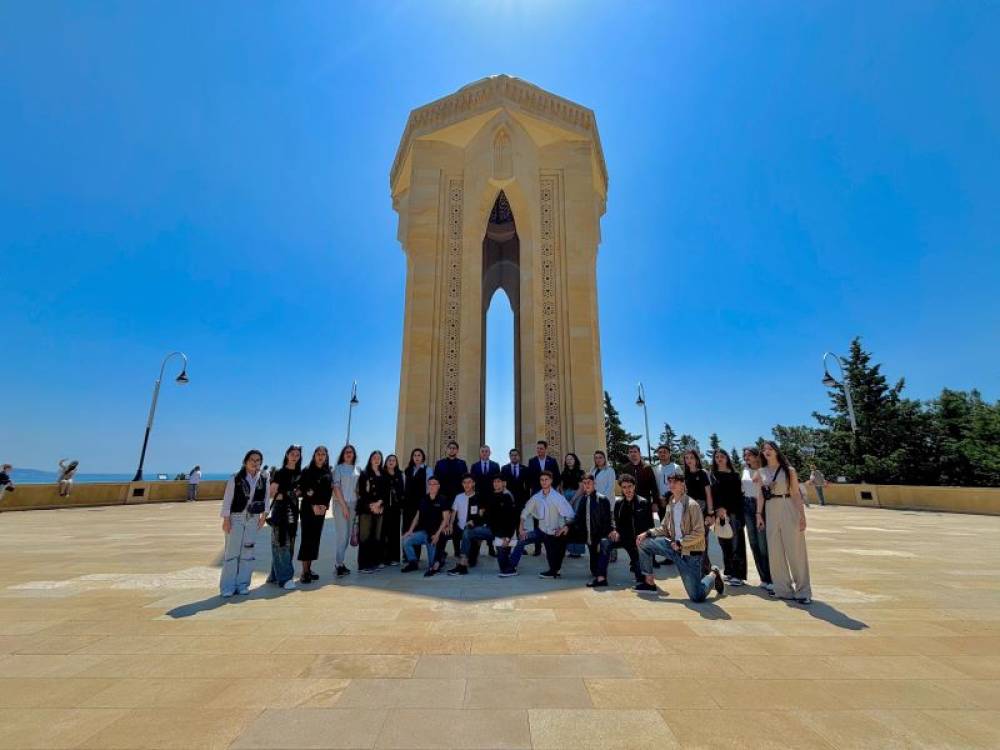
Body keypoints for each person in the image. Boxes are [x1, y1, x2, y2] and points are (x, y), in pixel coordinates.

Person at [635, 474, 725, 601]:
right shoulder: (670, 504)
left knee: (697, 597)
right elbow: (664, 528)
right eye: (669, 482)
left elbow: (699, 533)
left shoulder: (692, 505)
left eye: (675, 481)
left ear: (682, 484)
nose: (671, 484)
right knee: (643, 542)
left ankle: (713, 574)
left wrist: (681, 543)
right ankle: (648, 579)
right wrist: (647, 533)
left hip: (690, 553)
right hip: (672, 547)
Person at [758, 441, 812, 604]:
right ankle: (783, 589)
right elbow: (761, 495)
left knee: (795, 550)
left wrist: (802, 516)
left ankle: (803, 590)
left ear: (776, 451)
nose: (767, 451)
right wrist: (758, 515)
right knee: (775, 551)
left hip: (787, 505)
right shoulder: (761, 472)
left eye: (770, 449)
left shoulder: (789, 471)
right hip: (770, 508)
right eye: (764, 449)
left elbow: (796, 494)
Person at [219, 449, 270, 597]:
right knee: (232, 553)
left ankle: (243, 585)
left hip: (253, 518)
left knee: (248, 552)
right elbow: (227, 500)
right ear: (245, 461)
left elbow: (266, 499)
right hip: (237, 517)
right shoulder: (235, 478)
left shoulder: (264, 478)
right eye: (252, 460)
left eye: (257, 460)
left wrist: (263, 516)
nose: (255, 463)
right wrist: (226, 520)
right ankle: (227, 587)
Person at [509, 471, 575, 578]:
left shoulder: (558, 498)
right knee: (521, 540)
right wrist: (521, 528)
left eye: (546, 480)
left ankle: (554, 570)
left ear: (551, 481)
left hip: (553, 533)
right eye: (542, 480)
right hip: (540, 531)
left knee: (553, 564)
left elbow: (570, 514)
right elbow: (525, 512)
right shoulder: (536, 497)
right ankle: (511, 567)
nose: (544, 482)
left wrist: (565, 527)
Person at [401, 476, 451, 577]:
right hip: (423, 532)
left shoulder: (443, 499)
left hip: (434, 534)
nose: (432, 486)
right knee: (406, 540)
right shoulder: (424, 499)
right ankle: (413, 563)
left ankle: (441, 557)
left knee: (432, 565)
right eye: (430, 484)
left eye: (434, 484)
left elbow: (445, 519)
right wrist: (410, 531)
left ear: (438, 486)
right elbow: (417, 517)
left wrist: (437, 535)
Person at [267, 445, 302, 590]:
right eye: (292, 454)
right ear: (287, 455)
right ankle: (286, 578)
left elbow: (300, 491)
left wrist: (296, 493)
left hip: (293, 512)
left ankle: (275, 575)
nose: (295, 456)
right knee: (281, 543)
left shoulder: (300, 473)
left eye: (297, 454)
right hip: (280, 512)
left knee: (289, 544)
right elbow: (271, 493)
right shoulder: (280, 472)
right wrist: (285, 495)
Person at [448, 474, 496, 575]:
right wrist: (451, 524)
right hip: (460, 527)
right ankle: (460, 563)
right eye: (464, 483)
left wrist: (474, 522)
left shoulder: (479, 497)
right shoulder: (458, 497)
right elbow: (453, 512)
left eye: (469, 482)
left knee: (472, 562)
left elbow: (482, 516)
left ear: (473, 483)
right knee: (457, 532)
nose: (467, 485)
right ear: (462, 484)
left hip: (473, 529)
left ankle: (467, 559)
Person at [297, 446, 332, 584]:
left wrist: (325, 506)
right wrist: (313, 505)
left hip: (321, 511)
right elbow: (303, 489)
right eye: (318, 454)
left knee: (315, 539)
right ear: (314, 455)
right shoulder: (307, 470)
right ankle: (304, 572)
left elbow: (328, 492)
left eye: (323, 454)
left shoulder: (327, 472)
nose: (321, 456)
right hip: (308, 509)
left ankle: (309, 569)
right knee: (307, 538)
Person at [610, 473, 654, 584]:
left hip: (636, 540)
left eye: (629, 486)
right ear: (621, 488)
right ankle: (600, 576)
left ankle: (638, 567)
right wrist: (615, 530)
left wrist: (644, 538)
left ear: (634, 486)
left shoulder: (643, 502)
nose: (627, 489)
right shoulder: (619, 503)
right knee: (604, 543)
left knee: (641, 579)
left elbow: (650, 525)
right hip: (622, 537)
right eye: (624, 487)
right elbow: (615, 520)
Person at [711, 449, 746, 586]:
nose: (719, 459)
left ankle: (738, 574)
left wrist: (726, 509)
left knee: (736, 544)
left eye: (722, 456)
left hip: (733, 513)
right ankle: (729, 571)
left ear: (727, 458)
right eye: (717, 457)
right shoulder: (712, 475)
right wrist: (717, 510)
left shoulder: (735, 475)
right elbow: (712, 495)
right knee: (724, 543)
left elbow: (737, 497)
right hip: (719, 514)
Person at [572, 474, 613, 587]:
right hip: (588, 537)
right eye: (584, 483)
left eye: (589, 482)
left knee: (599, 564)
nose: (587, 485)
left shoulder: (602, 499)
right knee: (593, 570)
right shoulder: (583, 499)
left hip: (599, 537)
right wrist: (566, 526)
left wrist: (602, 538)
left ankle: (601, 578)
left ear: (594, 483)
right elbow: (578, 518)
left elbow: (607, 521)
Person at [741, 447, 773, 593]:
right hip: (747, 505)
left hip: (761, 506)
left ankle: (771, 577)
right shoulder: (745, 470)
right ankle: (763, 578)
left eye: (749, 455)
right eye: (745, 455)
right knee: (753, 543)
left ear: (756, 456)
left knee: (763, 544)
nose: (746, 457)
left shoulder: (765, 470)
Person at [683, 448, 715, 575]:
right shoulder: (685, 475)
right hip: (690, 509)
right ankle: (706, 569)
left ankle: (705, 571)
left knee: (702, 540)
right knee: (693, 541)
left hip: (702, 508)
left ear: (696, 459)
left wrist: (710, 513)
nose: (689, 460)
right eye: (686, 458)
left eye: (691, 458)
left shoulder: (702, 473)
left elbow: (708, 493)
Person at [356, 450, 388, 573]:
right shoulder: (364, 474)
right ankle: (363, 565)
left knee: (376, 536)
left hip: (379, 509)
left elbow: (385, 492)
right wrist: (371, 505)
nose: (377, 459)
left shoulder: (383, 474)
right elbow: (362, 492)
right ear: (370, 459)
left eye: (379, 457)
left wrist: (380, 504)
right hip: (366, 509)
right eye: (374, 457)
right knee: (365, 536)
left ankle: (374, 561)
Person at [331, 444, 361, 577]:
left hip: (354, 505)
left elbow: (359, 489)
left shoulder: (358, 469)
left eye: (351, 452)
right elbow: (336, 487)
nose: (349, 454)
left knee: (348, 535)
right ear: (343, 454)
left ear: (354, 454)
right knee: (342, 536)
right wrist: (343, 506)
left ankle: (341, 563)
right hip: (340, 505)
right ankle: (338, 564)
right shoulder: (338, 468)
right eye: (346, 452)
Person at [470, 445, 500, 557]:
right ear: (480, 453)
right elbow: (472, 483)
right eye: (482, 451)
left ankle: (491, 547)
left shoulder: (495, 466)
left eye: (486, 451)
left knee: (491, 523)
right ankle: (475, 549)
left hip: (492, 499)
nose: (484, 453)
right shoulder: (474, 466)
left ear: (490, 453)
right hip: (478, 499)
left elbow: (498, 481)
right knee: (478, 522)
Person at [403, 449, 429, 561]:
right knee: (406, 528)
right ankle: (406, 555)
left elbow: (429, 487)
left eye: (419, 455)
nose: (417, 457)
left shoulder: (427, 470)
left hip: (420, 504)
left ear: (423, 457)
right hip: (408, 504)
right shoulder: (408, 470)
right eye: (415, 455)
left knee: (417, 529)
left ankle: (415, 556)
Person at [382, 454, 405, 566]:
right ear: (386, 462)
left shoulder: (400, 474)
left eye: (394, 460)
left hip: (396, 508)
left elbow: (403, 490)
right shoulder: (382, 474)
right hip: (384, 507)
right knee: (384, 532)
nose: (391, 462)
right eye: (389, 460)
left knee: (395, 532)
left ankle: (394, 558)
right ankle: (384, 558)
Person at [561, 453, 586, 557]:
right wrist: (563, 498)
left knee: (577, 522)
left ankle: (578, 551)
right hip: (566, 497)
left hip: (577, 496)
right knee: (567, 522)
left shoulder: (581, 472)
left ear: (575, 460)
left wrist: (572, 500)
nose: (569, 460)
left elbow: (581, 488)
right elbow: (561, 487)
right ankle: (570, 549)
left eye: (571, 459)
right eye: (567, 459)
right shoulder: (563, 472)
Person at [652, 446, 681, 516]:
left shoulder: (676, 467)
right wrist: (657, 500)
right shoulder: (655, 469)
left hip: (674, 502)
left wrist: (668, 498)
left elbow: (680, 486)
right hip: (659, 503)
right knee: (661, 525)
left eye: (665, 452)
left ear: (670, 454)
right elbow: (654, 486)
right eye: (660, 452)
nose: (662, 454)